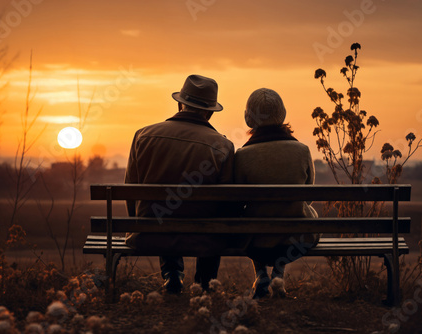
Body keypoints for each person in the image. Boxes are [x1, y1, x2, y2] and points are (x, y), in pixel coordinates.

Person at [124, 74, 235, 294]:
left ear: (179, 103)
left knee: (163, 211)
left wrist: (137, 224)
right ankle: (205, 283)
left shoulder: (143, 135)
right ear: (211, 112)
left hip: (149, 235)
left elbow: (130, 189)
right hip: (203, 240)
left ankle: (172, 273)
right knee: (214, 219)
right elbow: (227, 203)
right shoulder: (223, 146)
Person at [234, 88, 319, 299]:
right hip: (296, 240)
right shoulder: (302, 150)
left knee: (252, 218)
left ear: (248, 118)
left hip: (255, 242)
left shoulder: (242, 155)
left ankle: (261, 273)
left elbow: (237, 201)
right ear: (283, 115)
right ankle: (278, 272)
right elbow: (308, 195)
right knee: (307, 213)